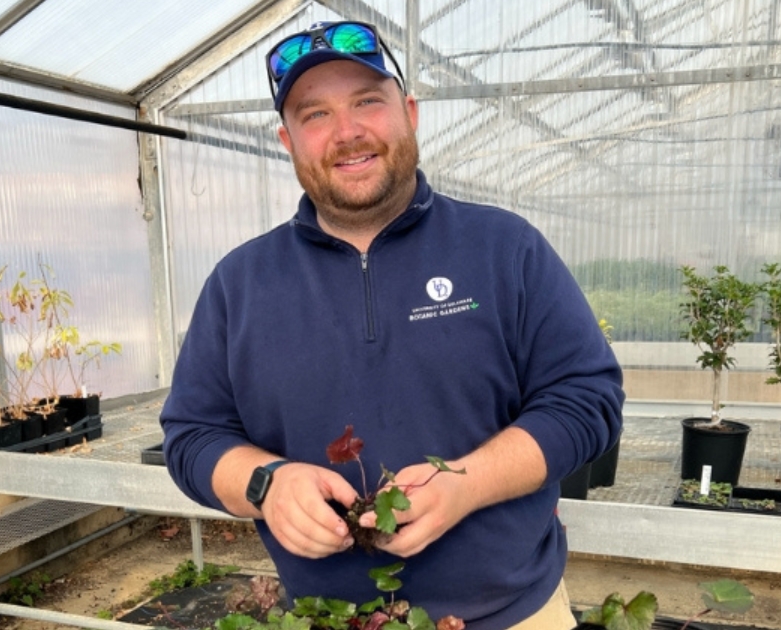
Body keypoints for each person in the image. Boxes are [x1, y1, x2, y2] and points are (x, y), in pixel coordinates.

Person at [160, 20, 624, 630]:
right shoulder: (240, 283)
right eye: (315, 114)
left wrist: (468, 484)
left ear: (409, 113)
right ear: (287, 140)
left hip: (515, 614)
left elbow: (587, 399)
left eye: (367, 103)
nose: (347, 132)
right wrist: (265, 484)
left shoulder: (504, 249)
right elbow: (192, 434)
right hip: (324, 618)